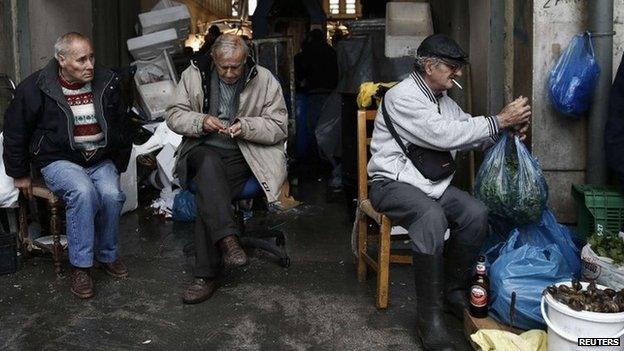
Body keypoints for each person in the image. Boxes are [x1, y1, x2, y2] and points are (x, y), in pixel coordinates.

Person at [366, 34, 530, 350]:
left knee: (475, 213)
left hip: (430, 185)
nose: (457, 74)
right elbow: (444, 136)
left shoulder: (444, 101)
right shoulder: (403, 97)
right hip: (391, 184)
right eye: (452, 67)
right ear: (429, 66)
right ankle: (429, 320)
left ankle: (452, 291)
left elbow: (467, 132)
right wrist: (499, 119)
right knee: (431, 217)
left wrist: (506, 133)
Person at [3, 32, 132, 299]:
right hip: (58, 159)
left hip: (99, 158)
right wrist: (19, 174)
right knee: (83, 192)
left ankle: (107, 255)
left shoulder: (107, 82)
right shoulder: (35, 87)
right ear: (61, 60)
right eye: (81, 60)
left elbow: (122, 123)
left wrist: (118, 162)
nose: (90, 65)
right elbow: (15, 131)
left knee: (111, 194)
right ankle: (81, 266)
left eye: (91, 57)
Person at [165, 34, 288, 304]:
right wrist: (201, 120)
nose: (230, 73)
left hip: (244, 154)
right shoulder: (194, 75)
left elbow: (279, 127)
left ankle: (206, 275)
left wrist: (246, 126)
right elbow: (173, 115)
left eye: (236, 66)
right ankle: (228, 240)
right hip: (200, 150)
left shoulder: (263, 79)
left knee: (211, 192)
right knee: (208, 164)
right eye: (224, 67)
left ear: (246, 60)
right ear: (214, 60)